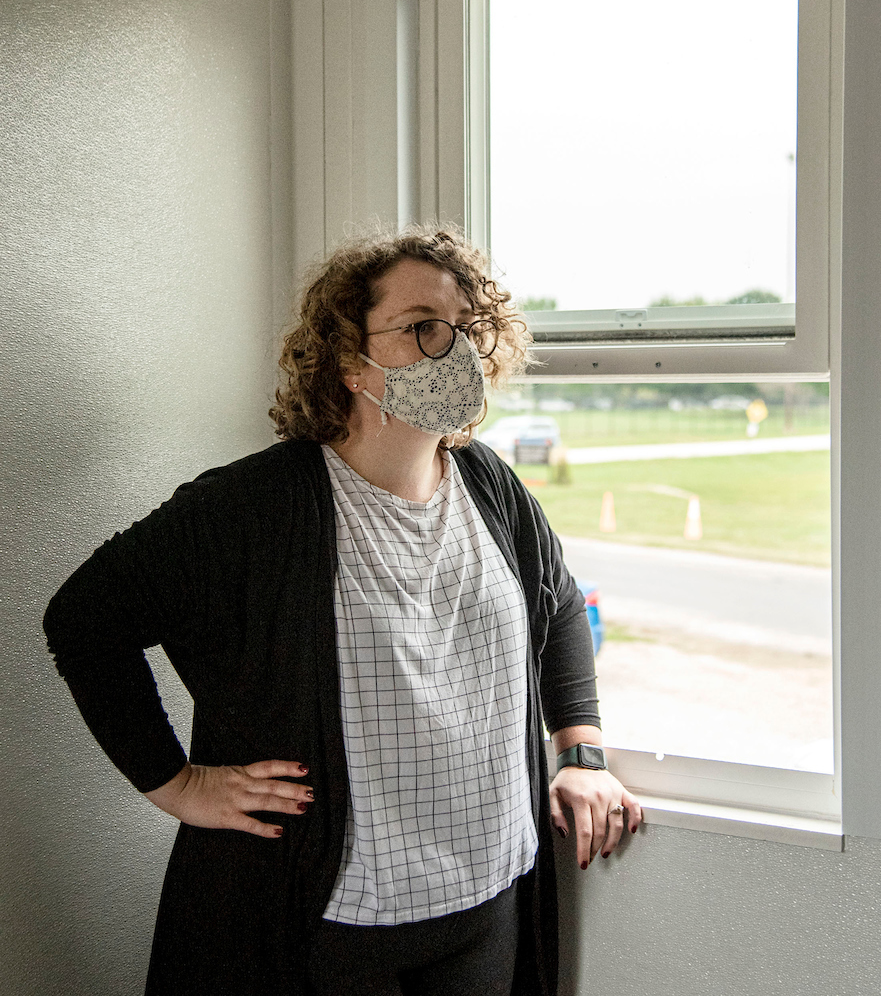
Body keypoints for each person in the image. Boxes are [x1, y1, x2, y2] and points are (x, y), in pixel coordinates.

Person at [44, 226, 641, 996]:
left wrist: (581, 755)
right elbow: (83, 620)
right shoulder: (257, 506)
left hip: (488, 897)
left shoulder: (488, 484)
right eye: (424, 327)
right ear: (350, 361)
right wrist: (175, 784)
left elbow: (557, 605)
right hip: (330, 923)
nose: (454, 351)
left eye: (466, 328)